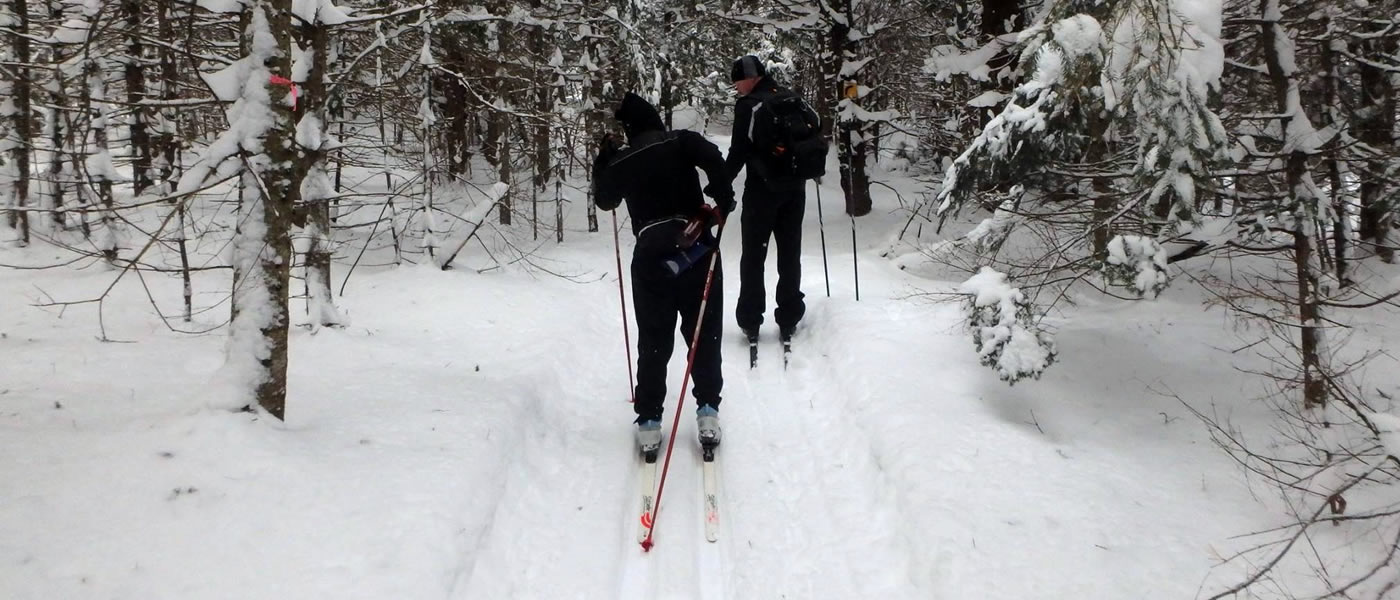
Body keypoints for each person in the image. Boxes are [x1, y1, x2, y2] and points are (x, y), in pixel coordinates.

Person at [593, 92, 736, 457]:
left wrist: (604, 160)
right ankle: (707, 411)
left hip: (651, 252)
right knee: (703, 332)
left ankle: (650, 420)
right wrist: (722, 197)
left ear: (629, 129)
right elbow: (713, 156)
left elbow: (605, 199)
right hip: (696, 247)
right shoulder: (680, 140)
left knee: (654, 338)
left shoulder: (626, 158)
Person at [725, 55, 807, 346]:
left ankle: (750, 319)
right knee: (789, 254)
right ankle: (789, 315)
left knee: (753, 257)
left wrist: (721, 183)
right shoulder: (790, 98)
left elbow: (738, 150)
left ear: (750, 77)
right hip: (795, 191)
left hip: (762, 192)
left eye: (737, 80)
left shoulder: (750, 106)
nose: (736, 86)